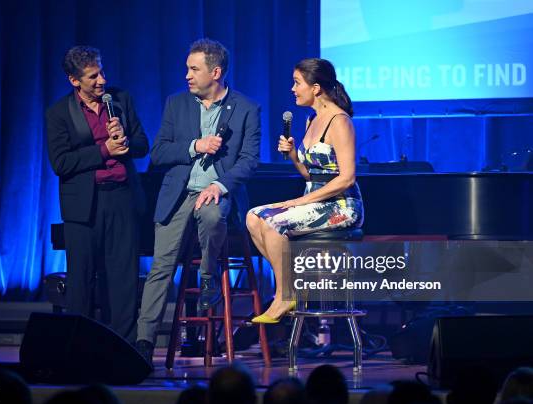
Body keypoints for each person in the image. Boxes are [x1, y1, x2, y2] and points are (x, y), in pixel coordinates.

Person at [135, 38, 261, 365]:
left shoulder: (246, 108)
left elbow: (248, 161)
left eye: (194, 69)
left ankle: (208, 275)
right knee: (160, 267)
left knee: (211, 217)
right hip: (178, 194)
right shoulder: (176, 104)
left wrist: (220, 185)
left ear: (215, 72)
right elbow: (159, 152)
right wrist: (195, 146)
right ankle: (144, 342)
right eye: (187, 68)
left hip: (217, 192)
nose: (187, 75)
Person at [246, 58, 364, 323]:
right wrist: (293, 158)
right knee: (254, 217)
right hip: (313, 200)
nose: (292, 89)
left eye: (297, 82)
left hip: (341, 206)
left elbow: (346, 178)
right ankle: (294, 285)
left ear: (317, 88)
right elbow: (312, 174)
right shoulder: (312, 119)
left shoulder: (339, 121)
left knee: (274, 222)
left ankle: (286, 294)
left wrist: (301, 201)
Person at [46, 46, 149, 343]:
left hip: (121, 198)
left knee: (124, 280)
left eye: (102, 72)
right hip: (84, 206)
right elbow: (61, 163)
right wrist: (104, 150)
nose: (101, 80)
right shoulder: (59, 113)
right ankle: (80, 349)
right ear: (74, 80)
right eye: (93, 76)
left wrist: (126, 139)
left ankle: (123, 348)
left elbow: (143, 144)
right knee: (81, 281)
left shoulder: (120, 100)